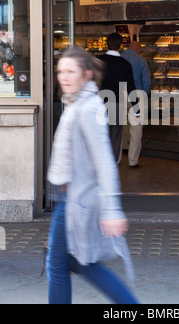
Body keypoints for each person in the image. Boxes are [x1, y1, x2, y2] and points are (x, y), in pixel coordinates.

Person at [46, 46, 138, 304]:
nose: (63, 77)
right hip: (72, 199)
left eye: (70, 72)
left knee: (61, 266)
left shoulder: (88, 108)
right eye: (60, 71)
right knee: (76, 263)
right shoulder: (77, 103)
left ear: (86, 75)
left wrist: (112, 210)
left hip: (78, 201)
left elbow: (105, 161)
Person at [99, 33, 138, 161]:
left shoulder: (97, 61)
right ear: (120, 46)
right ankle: (112, 165)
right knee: (115, 137)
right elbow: (131, 88)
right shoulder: (125, 64)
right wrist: (136, 108)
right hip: (117, 104)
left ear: (106, 44)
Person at [121, 41, 151, 168]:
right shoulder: (140, 59)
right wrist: (144, 93)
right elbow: (146, 80)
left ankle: (116, 159)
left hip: (120, 93)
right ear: (137, 48)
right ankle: (132, 161)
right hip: (137, 94)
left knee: (118, 127)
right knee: (136, 128)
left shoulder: (120, 58)